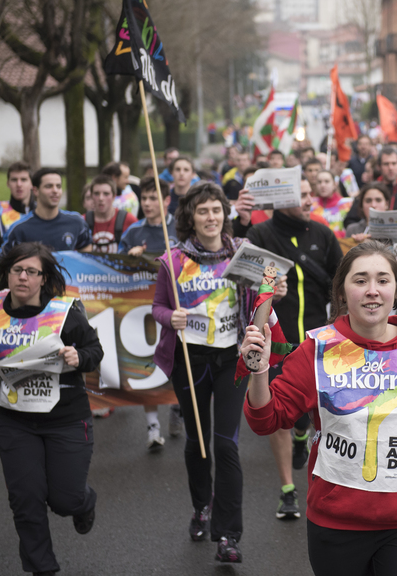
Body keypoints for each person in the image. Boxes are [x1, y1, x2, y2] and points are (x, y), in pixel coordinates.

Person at [241, 240, 397, 576]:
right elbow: (267, 418)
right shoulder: (317, 350)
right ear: (342, 293)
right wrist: (258, 371)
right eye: (360, 281)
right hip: (337, 521)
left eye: (382, 280)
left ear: (396, 289)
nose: (372, 290)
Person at [151, 182, 278, 563]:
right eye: (202, 211)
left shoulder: (243, 253)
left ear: (226, 214)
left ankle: (228, 535)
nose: (210, 217)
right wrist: (168, 317)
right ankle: (201, 507)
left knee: (225, 444)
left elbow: (266, 293)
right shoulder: (171, 261)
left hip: (231, 359)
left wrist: (274, 290)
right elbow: (157, 307)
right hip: (190, 360)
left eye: (216, 210)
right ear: (190, 217)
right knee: (197, 442)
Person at [0, 242, 103, 575]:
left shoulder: (64, 312)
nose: (24, 277)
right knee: (26, 501)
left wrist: (79, 357)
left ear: (44, 279)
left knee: (64, 500)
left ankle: (83, 502)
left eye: (32, 271)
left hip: (66, 419)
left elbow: (94, 350)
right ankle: (42, 568)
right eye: (17, 270)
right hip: (16, 422)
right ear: (7, 273)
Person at [245, 178, 343, 519]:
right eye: (299, 195)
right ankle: (288, 489)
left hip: (316, 342)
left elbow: (341, 283)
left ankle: (305, 435)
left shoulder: (323, 234)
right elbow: (250, 288)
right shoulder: (261, 236)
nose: (307, 199)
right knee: (279, 419)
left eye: (308, 193)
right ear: (279, 198)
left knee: (311, 415)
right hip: (278, 344)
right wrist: (271, 290)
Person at [117, 178, 181, 447]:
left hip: (176, 307)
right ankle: (152, 427)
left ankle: (178, 407)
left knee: (178, 362)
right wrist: (130, 257)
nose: (148, 204)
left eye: (153, 198)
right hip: (143, 308)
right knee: (146, 361)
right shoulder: (133, 232)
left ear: (166, 200)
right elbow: (116, 268)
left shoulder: (180, 227)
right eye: (144, 199)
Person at [1, 168, 93, 255]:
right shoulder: (19, 229)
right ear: (36, 191)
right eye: (49, 186)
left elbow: (87, 258)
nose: (55, 191)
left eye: (58, 186)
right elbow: (5, 263)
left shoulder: (76, 222)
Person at [85, 174, 137, 254]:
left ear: (114, 196)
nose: (101, 198)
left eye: (106, 194)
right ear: (91, 196)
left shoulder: (129, 220)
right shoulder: (82, 221)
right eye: (96, 194)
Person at [312, 170, 353, 239]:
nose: (322, 185)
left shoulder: (347, 204)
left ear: (334, 184)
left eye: (327, 181)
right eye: (319, 182)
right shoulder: (310, 204)